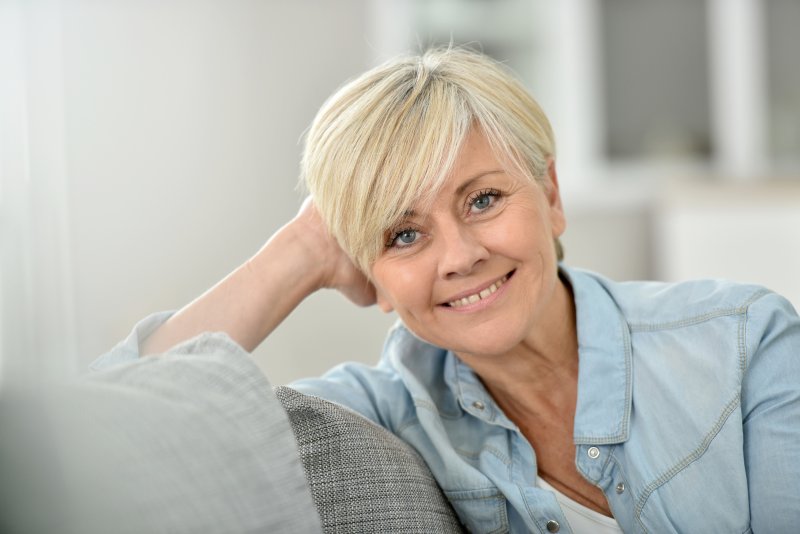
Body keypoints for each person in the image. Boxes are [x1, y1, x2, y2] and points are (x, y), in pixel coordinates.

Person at [93, 47, 800, 533]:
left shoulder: (744, 342)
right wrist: (300, 251)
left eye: (484, 199)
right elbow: (114, 439)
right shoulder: (383, 413)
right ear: (372, 276)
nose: (460, 256)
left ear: (550, 195)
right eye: (403, 236)